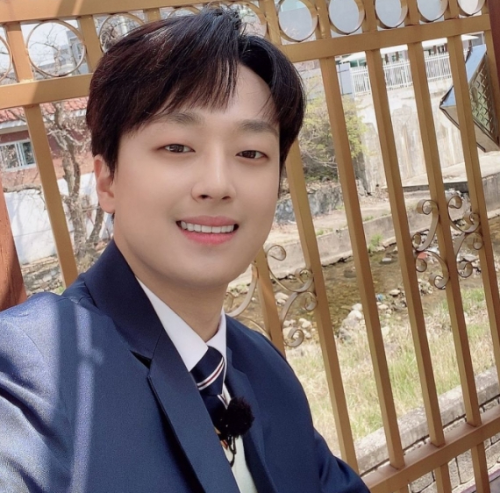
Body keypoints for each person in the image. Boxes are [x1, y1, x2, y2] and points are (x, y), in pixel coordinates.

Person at [0, 8, 369, 493]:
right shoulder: (34, 371)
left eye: (251, 153)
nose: (217, 184)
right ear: (107, 180)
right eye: (177, 147)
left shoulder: (263, 369)